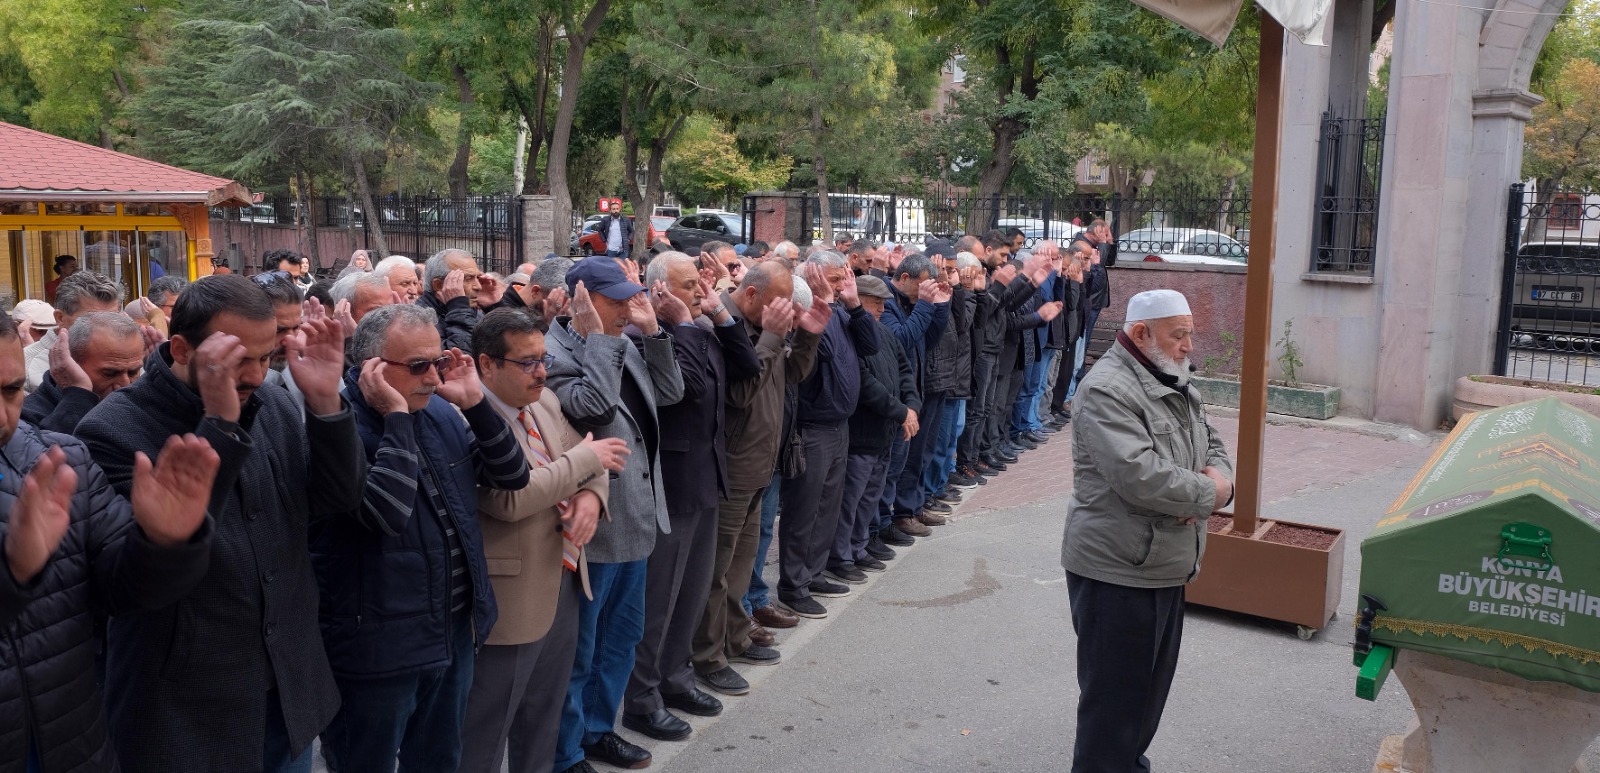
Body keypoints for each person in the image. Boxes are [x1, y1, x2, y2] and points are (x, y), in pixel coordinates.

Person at [74, 274, 364, 772]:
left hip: (288, 688)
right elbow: (139, 584)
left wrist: (325, 405)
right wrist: (219, 426)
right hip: (188, 708)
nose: (253, 374)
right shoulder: (110, 430)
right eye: (235, 359)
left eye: (263, 356)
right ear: (182, 348)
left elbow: (334, 500)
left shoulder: (270, 401)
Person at [0, 313, 220, 773]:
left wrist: (161, 543)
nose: (3, 416)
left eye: (10, 390)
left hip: (73, 743)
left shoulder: (61, 457)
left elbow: (124, 592)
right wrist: (14, 574)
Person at [314, 303, 530, 772]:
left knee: (438, 759)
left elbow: (512, 475)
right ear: (369, 367)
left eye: (437, 360)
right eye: (417, 366)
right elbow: (385, 515)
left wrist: (475, 403)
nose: (433, 377)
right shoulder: (336, 425)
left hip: (449, 630)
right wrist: (395, 418)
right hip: (377, 645)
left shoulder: (440, 411)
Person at [1062, 289, 1234, 773]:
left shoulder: (1173, 378)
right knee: (1114, 704)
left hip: (1163, 561)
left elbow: (1212, 443)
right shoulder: (1107, 388)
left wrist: (1214, 484)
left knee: (1144, 699)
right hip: (1118, 569)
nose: (1188, 347)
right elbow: (1140, 477)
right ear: (1141, 333)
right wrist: (1207, 496)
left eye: (1190, 336)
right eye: (1178, 335)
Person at [459, 309, 628, 773]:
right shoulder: (467, 416)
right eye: (527, 362)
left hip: (565, 578)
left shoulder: (544, 402)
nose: (542, 371)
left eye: (543, 358)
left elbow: (589, 452)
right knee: (486, 730)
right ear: (486, 364)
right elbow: (509, 501)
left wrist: (592, 496)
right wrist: (585, 465)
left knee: (544, 720)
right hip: (510, 598)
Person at [545, 257, 685, 773]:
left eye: (631, 296)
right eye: (616, 299)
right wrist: (598, 338)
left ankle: (599, 729)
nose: (629, 306)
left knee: (621, 639)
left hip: (638, 518)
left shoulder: (625, 338)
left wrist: (653, 334)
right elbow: (590, 408)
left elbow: (670, 395)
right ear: (582, 299)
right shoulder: (552, 351)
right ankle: (566, 751)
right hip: (594, 526)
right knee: (580, 651)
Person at [624, 252, 761, 743]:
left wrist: (718, 313)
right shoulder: (644, 336)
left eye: (700, 286)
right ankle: (641, 697)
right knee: (660, 599)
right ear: (658, 291)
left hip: (707, 479)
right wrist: (682, 323)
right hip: (674, 485)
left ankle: (676, 680)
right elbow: (690, 392)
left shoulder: (699, 327)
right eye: (688, 286)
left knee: (691, 593)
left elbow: (748, 367)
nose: (700, 294)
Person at [692, 262, 824, 698]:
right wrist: (771, 336)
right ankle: (708, 656)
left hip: (758, 468)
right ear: (750, 295)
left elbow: (792, 376)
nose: (782, 315)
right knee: (717, 570)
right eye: (777, 306)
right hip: (730, 471)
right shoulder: (721, 329)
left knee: (741, 565)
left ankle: (735, 636)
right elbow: (741, 391)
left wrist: (807, 335)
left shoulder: (763, 326)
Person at [774, 251, 878, 620]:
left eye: (842, 279)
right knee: (805, 509)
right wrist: (828, 303)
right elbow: (828, 352)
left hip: (840, 425)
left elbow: (871, 347)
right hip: (812, 427)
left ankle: (814, 573)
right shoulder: (813, 312)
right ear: (813, 277)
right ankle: (794, 584)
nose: (840, 286)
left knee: (828, 506)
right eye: (834, 279)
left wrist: (853, 304)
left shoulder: (842, 310)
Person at [831, 274, 917, 583]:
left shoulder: (884, 333)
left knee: (870, 495)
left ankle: (859, 546)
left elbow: (905, 371)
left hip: (886, 430)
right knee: (850, 499)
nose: (881, 310)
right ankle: (841, 555)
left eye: (883, 304)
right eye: (876, 304)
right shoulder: (851, 334)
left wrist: (912, 407)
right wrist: (901, 411)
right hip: (863, 431)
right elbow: (865, 383)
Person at [879, 254, 951, 541]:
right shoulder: (885, 301)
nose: (925, 291)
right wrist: (923, 304)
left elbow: (927, 340)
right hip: (895, 398)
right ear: (905, 278)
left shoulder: (910, 303)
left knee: (916, 456)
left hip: (915, 391)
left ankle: (910, 508)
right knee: (893, 466)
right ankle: (889, 522)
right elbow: (901, 341)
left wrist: (940, 305)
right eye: (923, 286)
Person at [23, 312, 144, 433]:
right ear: (70, 364)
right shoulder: (27, 419)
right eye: (110, 373)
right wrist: (78, 397)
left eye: (133, 372)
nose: (125, 384)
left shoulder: (140, 406)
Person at [25, 271, 124, 394]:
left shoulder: (132, 358)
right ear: (60, 318)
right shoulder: (24, 367)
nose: (107, 328)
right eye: (93, 321)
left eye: (113, 318)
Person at [420, 249, 491, 353]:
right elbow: (457, 362)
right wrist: (459, 310)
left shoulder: (473, 312)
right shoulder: (420, 321)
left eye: (477, 278)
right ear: (439, 285)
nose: (478, 286)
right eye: (468, 278)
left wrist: (495, 305)